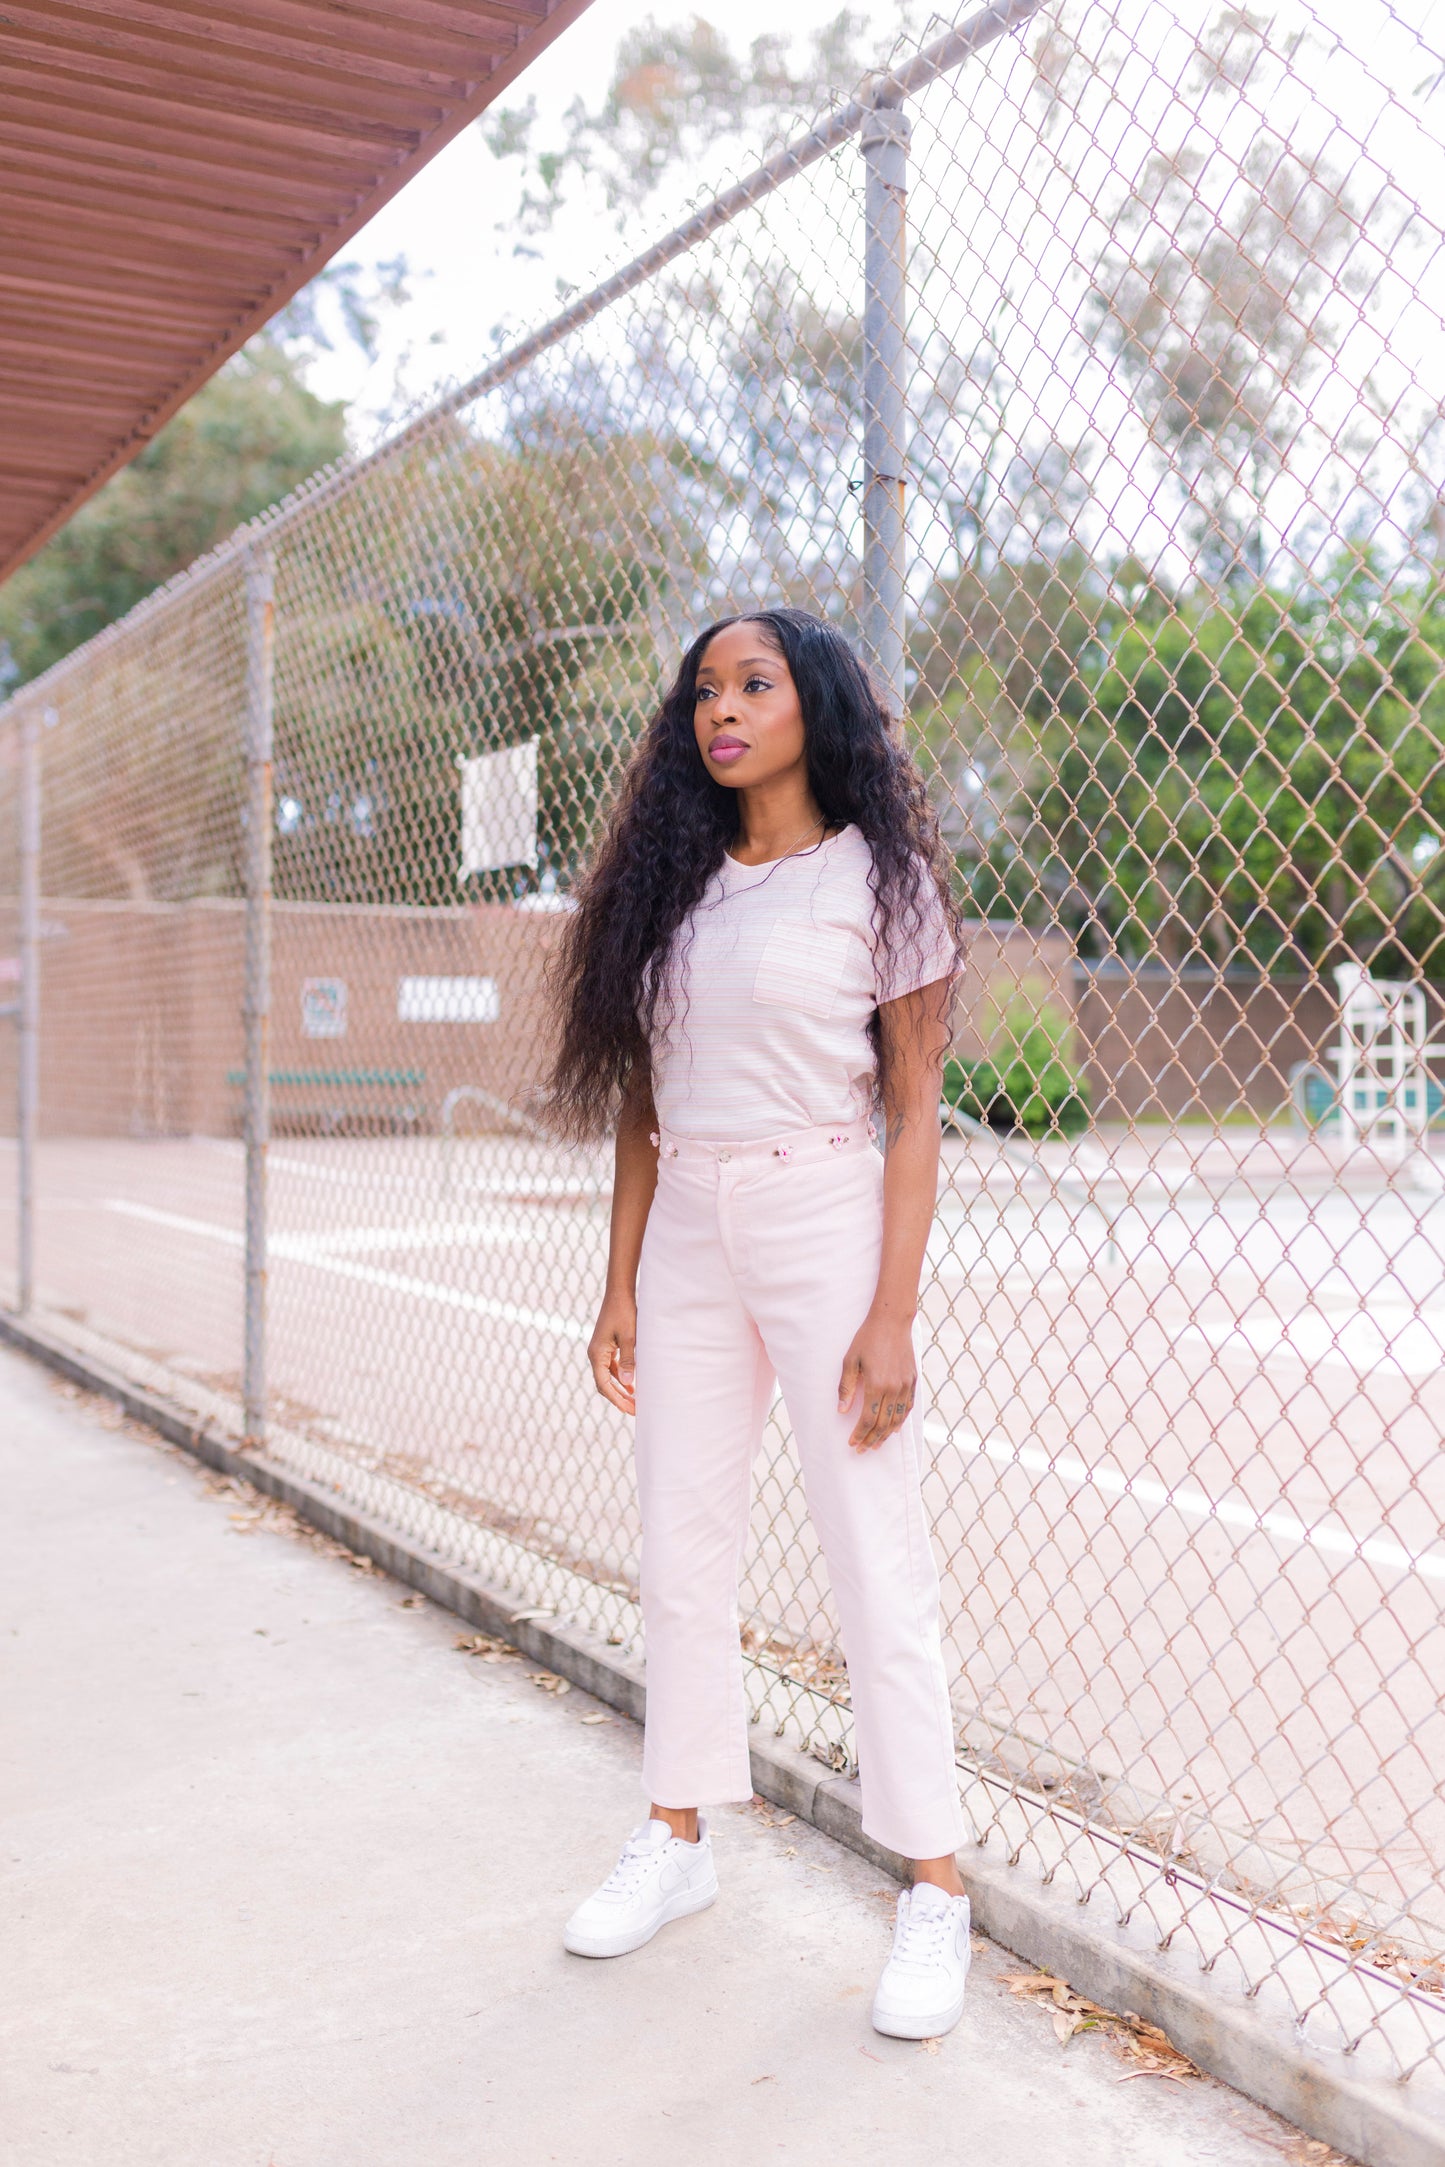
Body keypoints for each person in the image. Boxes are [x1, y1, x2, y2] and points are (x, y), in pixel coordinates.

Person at [546, 606, 970, 2039]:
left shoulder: (880, 880)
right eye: (703, 691)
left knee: (869, 1550)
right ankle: (676, 1839)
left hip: (818, 1218)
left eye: (753, 683)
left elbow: (911, 1109)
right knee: (679, 1544)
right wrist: (617, 1281)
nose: (721, 709)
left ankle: (932, 1885)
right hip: (685, 1240)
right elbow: (644, 1106)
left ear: (817, 705)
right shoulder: (672, 892)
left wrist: (891, 1310)